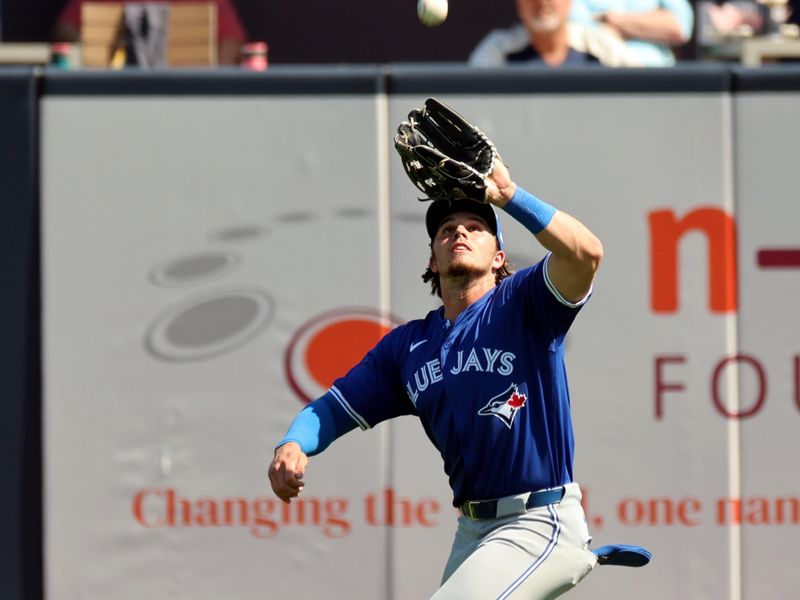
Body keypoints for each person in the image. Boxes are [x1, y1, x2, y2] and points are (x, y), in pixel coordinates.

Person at [269, 102, 610, 598]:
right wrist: (294, 443)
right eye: (446, 228)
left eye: (475, 225)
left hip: (540, 520)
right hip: (473, 530)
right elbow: (333, 409)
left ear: (498, 256)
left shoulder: (524, 305)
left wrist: (508, 195)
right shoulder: (408, 348)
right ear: (432, 259)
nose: (458, 231)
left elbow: (586, 254)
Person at [51, 0, 247, 65]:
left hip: (190, 101)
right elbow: (66, 29)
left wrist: (211, 88)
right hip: (114, 99)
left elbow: (232, 40)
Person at [470, 0, 643, 66]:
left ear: (569, 3)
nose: (541, 2)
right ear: (519, 4)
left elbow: (641, 91)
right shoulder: (497, 49)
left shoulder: (601, 46)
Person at [569, 0, 695, 66]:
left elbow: (680, 28)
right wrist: (653, 20)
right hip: (602, 81)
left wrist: (612, 19)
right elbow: (581, 32)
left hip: (658, 81)